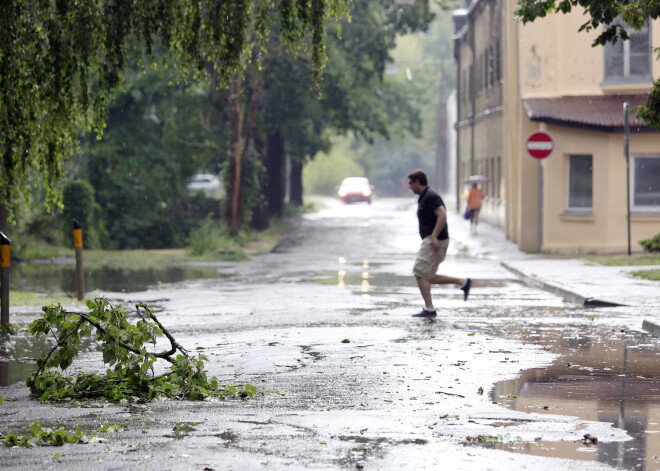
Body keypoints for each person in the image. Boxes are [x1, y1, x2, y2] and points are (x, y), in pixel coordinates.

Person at [407, 169, 472, 318]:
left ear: (417, 182)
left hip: (435, 240)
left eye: (410, 183)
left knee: (419, 272)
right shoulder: (425, 196)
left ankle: (429, 309)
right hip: (432, 239)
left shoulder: (431, 196)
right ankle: (463, 282)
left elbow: (442, 214)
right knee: (427, 276)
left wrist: (434, 236)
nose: (409, 186)